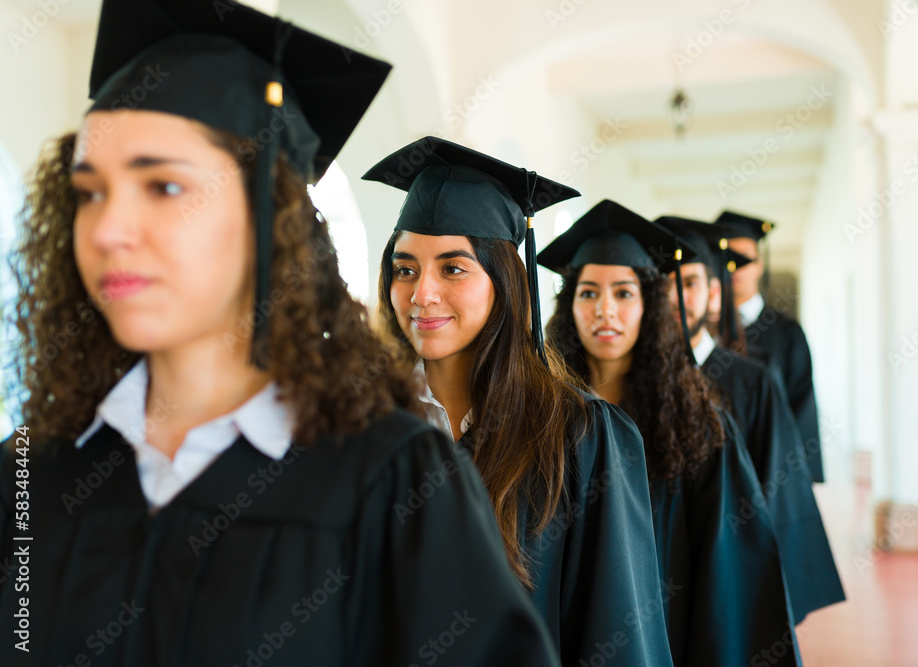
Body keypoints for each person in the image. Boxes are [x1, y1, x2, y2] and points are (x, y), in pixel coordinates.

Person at [0, 1, 563, 665]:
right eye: (90, 192)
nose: (108, 229)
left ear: (272, 217)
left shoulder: (392, 479)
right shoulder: (30, 472)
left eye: (164, 187)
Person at [366, 138, 673, 666]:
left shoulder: (579, 435)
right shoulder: (361, 424)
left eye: (453, 268)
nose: (421, 294)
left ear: (505, 281)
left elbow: (616, 634)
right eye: (405, 268)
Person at [541, 200, 801, 666]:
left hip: (668, 634)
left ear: (650, 306)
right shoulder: (542, 418)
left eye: (623, 293)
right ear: (568, 305)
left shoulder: (698, 423)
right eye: (587, 293)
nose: (605, 310)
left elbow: (728, 576)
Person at [656, 215, 845, 624]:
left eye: (688, 283)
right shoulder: (639, 378)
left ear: (712, 292)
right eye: (662, 284)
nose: (673, 297)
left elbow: (795, 417)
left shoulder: (757, 371)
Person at [715, 210, 824, 484]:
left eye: (745, 258)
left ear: (760, 264)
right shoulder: (703, 332)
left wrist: (799, 478)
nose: (735, 268)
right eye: (727, 259)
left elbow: (802, 404)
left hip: (775, 472)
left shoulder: (787, 333)